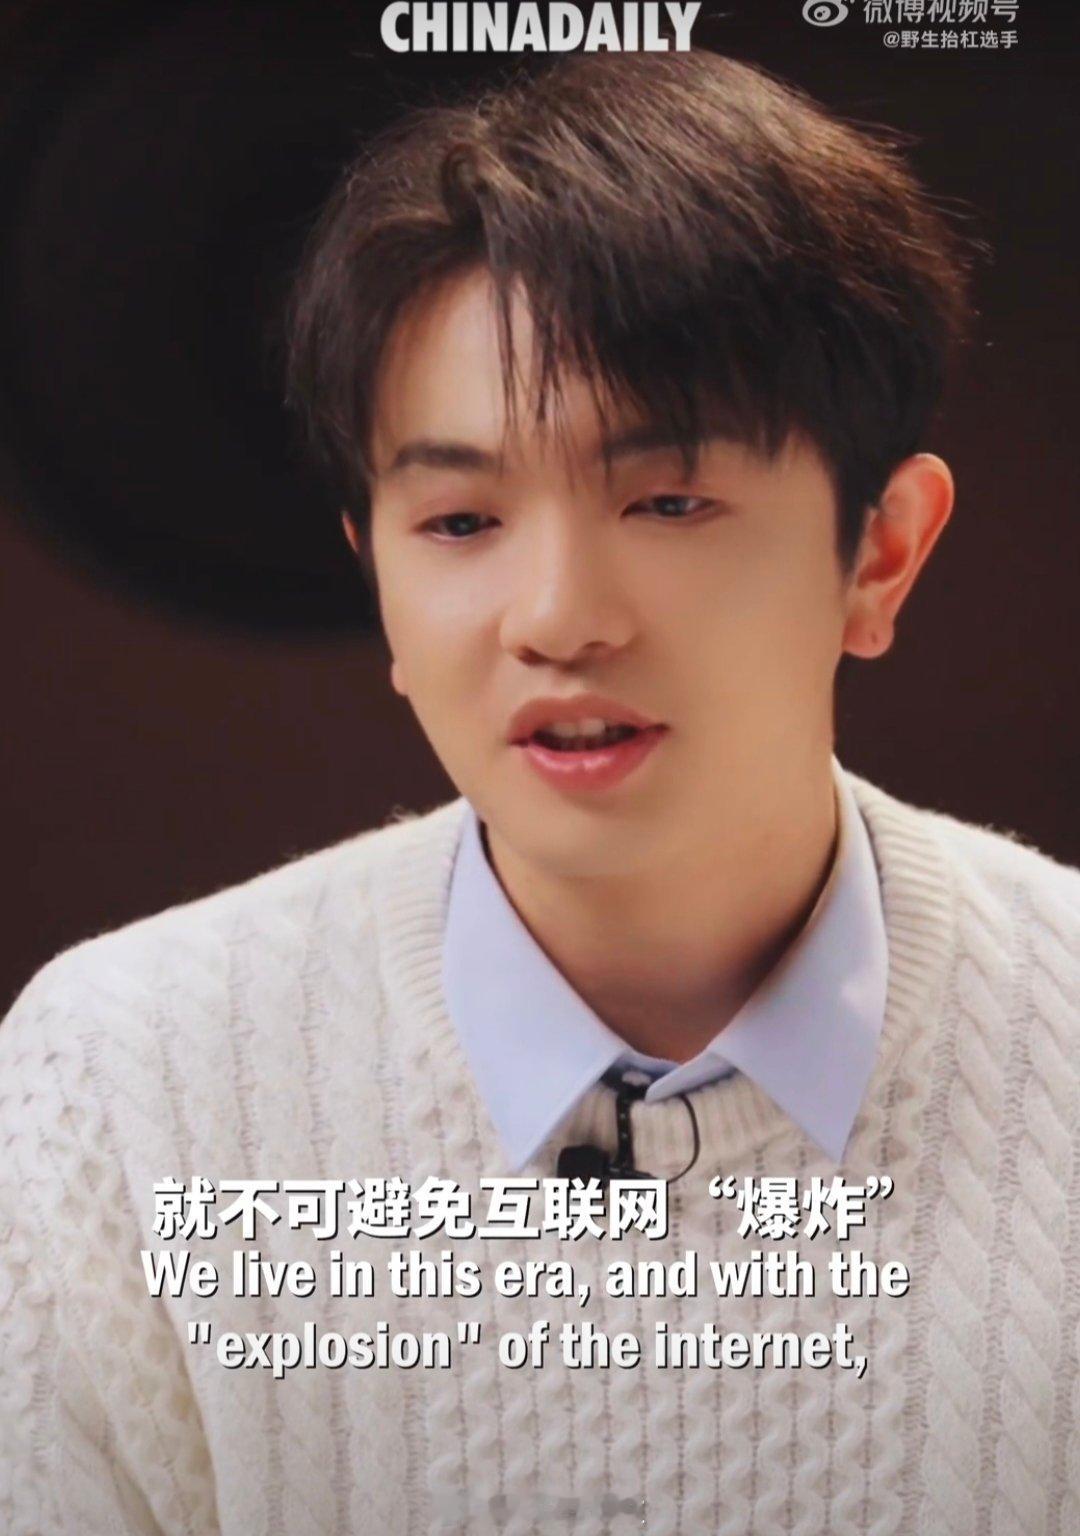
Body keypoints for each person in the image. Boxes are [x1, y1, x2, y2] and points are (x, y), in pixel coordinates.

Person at [2, 47, 1078, 1536]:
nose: (559, 617)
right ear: (376, 572)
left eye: (669, 500)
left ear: (879, 551)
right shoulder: (122, 1083)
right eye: (460, 520)